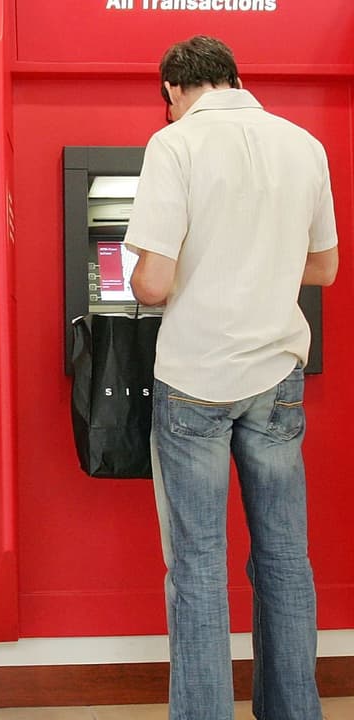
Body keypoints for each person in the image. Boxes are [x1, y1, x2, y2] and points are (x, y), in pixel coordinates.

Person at [126, 35, 339, 720]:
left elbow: (153, 284)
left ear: (172, 90)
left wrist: (170, 266)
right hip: (277, 378)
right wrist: (260, 263)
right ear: (235, 78)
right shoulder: (303, 145)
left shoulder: (175, 145)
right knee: (284, 557)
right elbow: (325, 268)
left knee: (199, 565)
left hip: (196, 379)